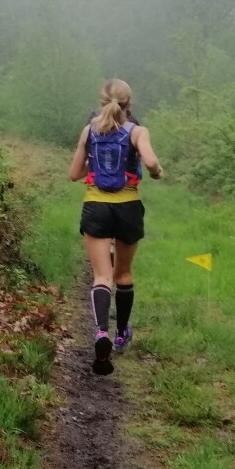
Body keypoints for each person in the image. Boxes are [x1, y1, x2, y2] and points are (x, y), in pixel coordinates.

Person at [68, 79, 162, 375]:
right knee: (123, 273)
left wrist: (93, 164)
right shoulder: (138, 131)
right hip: (128, 208)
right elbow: (150, 162)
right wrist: (156, 171)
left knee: (101, 275)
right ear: (128, 104)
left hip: (96, 206)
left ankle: (100, 333)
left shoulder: (89, 131)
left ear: (101, 101)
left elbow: (74, 174)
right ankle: (121, 334)